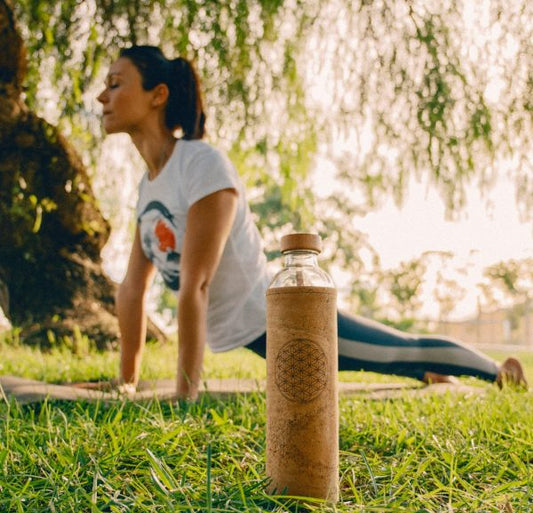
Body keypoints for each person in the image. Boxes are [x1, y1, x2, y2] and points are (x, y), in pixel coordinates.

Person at [97, 45, 528, 399]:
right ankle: (432, 373)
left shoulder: (202, 164)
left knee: (398, 351)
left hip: (283, 316)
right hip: (256, 330)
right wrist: (126, 382)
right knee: (384, 355)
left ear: (159, 95)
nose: (102, 97)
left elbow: (197, 284)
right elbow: (133, 289)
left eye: (116, 84)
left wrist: (185, 394)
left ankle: (500, 372)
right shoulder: (148, 186)